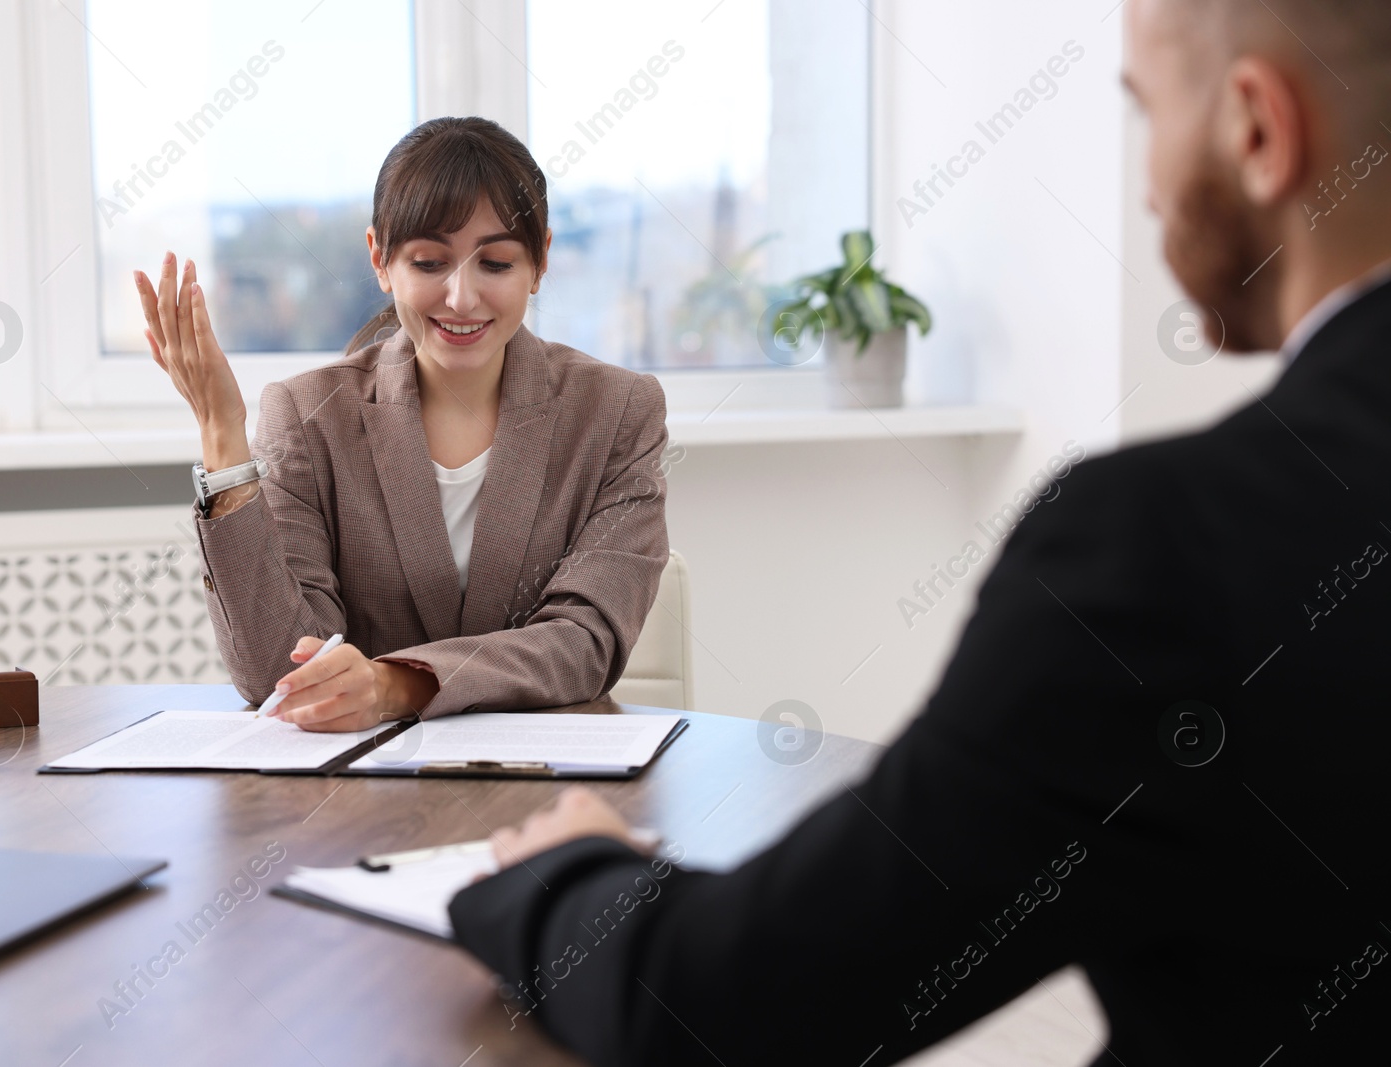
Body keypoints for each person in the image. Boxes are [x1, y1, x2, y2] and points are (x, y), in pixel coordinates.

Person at [449, 1, 1391, 1062]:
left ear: (1258, 130)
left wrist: (566, 870)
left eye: (1149, 114)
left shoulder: (1166, 548)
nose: (1146, 184)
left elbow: (726, 1005)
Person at [133, 117, 669, 731]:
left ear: (540, 263)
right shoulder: (308, 417)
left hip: (548, 777)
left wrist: (397, 684)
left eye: (495, 264)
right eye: (429, 262)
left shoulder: (618, 412)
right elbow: (272, 676)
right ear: (381, 261)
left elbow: (585, 643)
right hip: (361, 795)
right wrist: (222, 433)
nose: (462, 298)